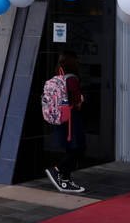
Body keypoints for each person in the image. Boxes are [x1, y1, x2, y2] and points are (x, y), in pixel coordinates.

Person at [45, 51, 86, 193]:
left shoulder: (59, 78)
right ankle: (56, 170)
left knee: (71, 149)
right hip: (72, 119)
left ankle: (65, 181)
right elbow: (77, 103)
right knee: (78, 149)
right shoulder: (72, 80)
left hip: (62, 118)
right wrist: (81, 99)